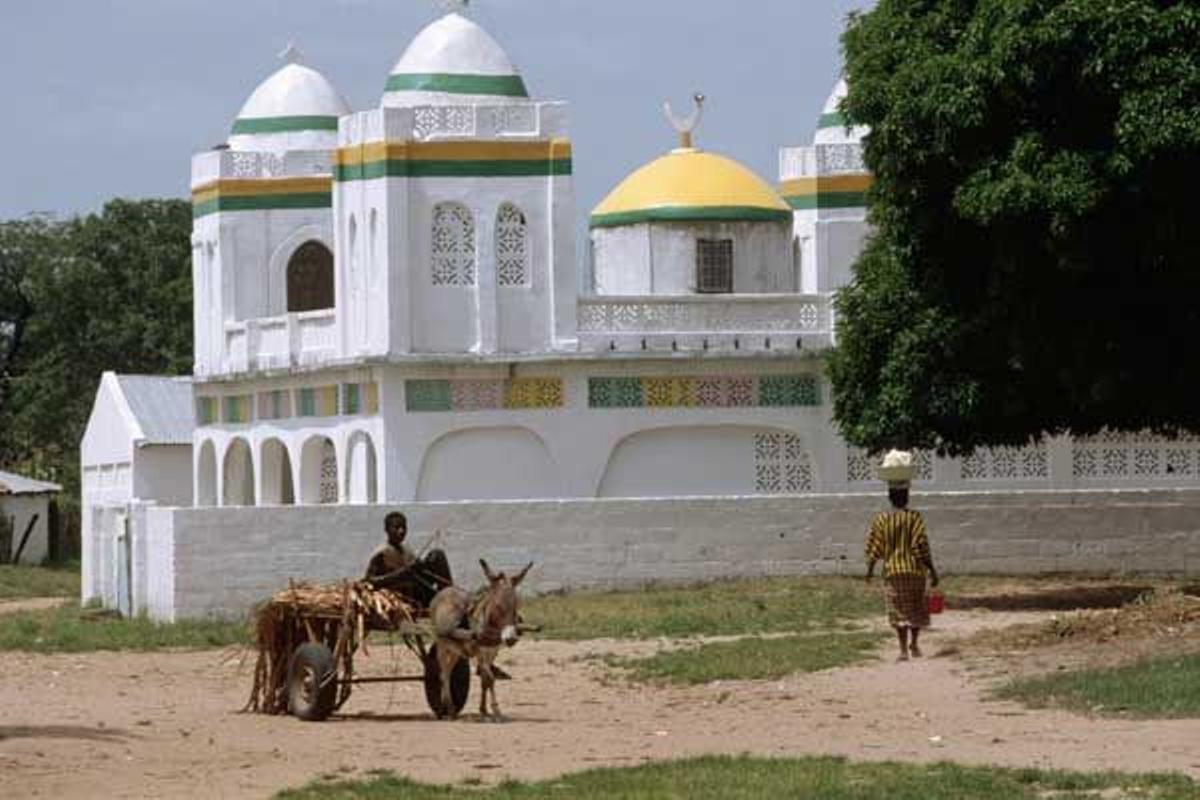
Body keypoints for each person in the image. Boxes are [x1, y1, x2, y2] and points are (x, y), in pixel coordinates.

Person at [864, 460, 939, 661]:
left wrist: (870, 571)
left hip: (893, 573)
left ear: (889, 497)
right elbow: (921, 545)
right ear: (906, 497)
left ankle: (903, 650)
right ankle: (915, 644)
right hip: (915, 572)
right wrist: (932, 570)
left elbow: (874, 547)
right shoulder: (914, 517)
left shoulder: (882, 520)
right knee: (916, 607)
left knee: (898, 611)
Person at [364, 512, 453, 608]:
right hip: (399, 597)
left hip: (418, 591)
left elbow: (418, 571)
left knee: (437, 555)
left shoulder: (406, 549)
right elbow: (369, 582)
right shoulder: (381, 553)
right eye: (396, 527)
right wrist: (401, 574)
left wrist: (421, 565)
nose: (401, 531)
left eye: (404, 527)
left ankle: (449, 597)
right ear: (387, 530)